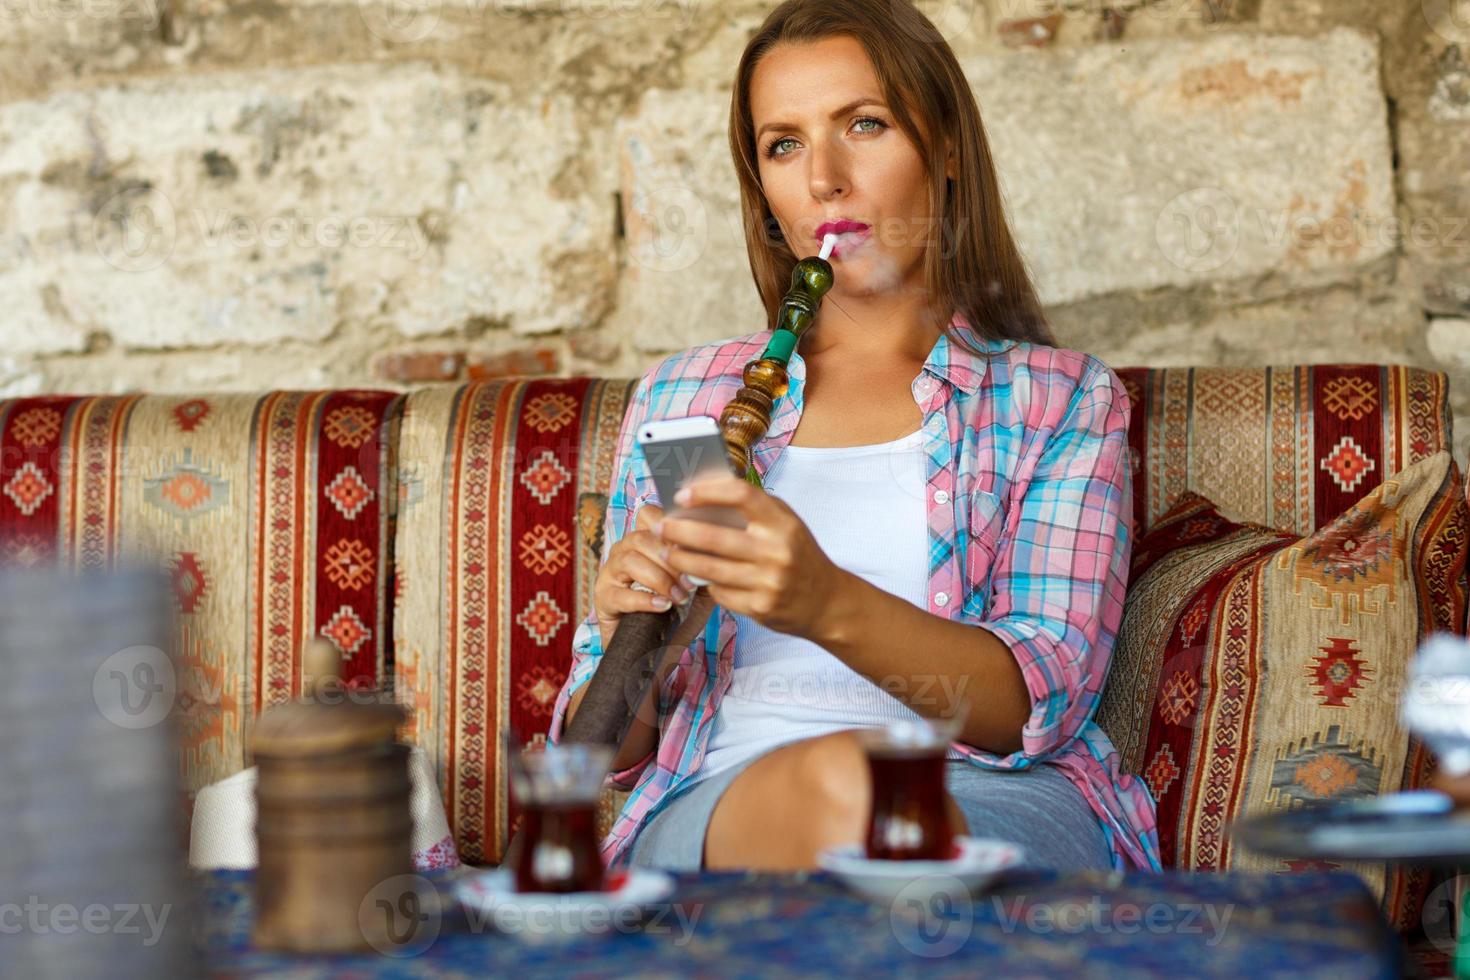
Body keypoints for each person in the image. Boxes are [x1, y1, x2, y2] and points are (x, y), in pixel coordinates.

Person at [548, 0, 1161, 875]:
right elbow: (596, 763)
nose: (825, 179)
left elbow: (1039, 702)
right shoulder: (685, 398)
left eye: (864, 125)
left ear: (947, 147)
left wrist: (822, 602)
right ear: (763, 188)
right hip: (720, 809)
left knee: (862, 794)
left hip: (988, 795)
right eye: (783, 145)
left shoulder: (1057, 400)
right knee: (840, 787)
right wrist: (636, 639)